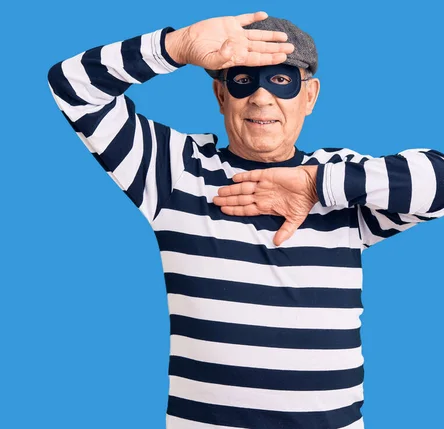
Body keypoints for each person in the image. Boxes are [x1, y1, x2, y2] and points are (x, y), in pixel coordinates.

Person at [47, 11, 444, 429]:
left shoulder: (342, 183)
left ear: (309, 97)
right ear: (221, 96)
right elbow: (73, 86)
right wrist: (175, 48)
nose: (260, 98)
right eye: (243, 80)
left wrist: (318, 184)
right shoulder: (175, 172)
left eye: (281, 80)